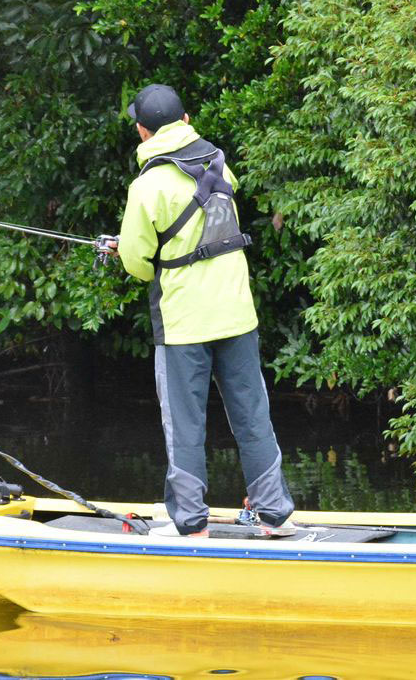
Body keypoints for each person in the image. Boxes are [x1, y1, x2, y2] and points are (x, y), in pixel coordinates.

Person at [114, 84, 295, 539]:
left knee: (185, 425)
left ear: (142, 130)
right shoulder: (219, 163)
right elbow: (207, 233)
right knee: (253, 415)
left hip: (183, 325)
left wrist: (123, 250)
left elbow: (138, 264)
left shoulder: (146, 186)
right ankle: (275, 516)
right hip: (237, 313)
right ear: (186, 120)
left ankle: (192, 526)